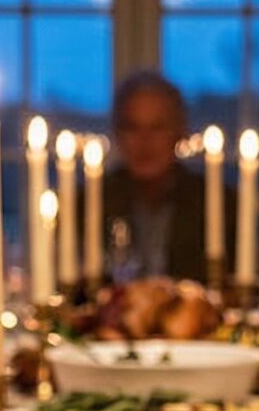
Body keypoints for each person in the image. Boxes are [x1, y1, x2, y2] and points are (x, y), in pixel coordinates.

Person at [97, 71, 226, 282]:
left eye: (157, 128)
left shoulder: (219, 207)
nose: (144, 142)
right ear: (117, 134)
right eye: (132, 128)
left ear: (179, 131)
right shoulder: (88, 207)